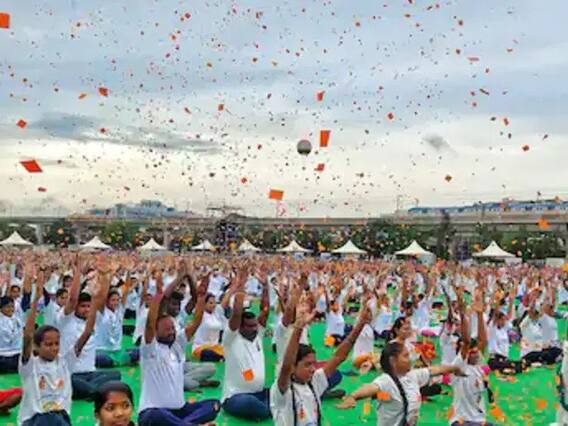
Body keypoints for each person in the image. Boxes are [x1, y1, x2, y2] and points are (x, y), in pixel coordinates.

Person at [18, 267, 100, 426]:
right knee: (50, 417)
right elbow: (28, 336)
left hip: (60, 419)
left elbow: (87, 332)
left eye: (56, 344)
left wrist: (95, 299)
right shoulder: (30, 365)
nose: (54, 348)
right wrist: (35, 301)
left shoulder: (64, 361)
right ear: (37, 346)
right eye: (48, 344)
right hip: (35, 420)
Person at [271, 298, 372, 425]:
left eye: (313, 364)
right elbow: (286, 366)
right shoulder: (282, 389)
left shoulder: (314, 381)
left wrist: (361, 324)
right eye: (307, 365)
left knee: (336, 374)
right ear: (294, 367)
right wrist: (299, 327)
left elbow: (338, 357)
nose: (313, 369)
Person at [138, 272, 220, 426]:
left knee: (214, 405)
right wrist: (158, 296)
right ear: (156, 332)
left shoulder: (177, 345)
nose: (172, 331)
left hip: (180, 411)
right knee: (157, 416)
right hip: (154, 413)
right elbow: (150, 324)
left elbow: (195, 323)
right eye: (167, 329)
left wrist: (201, 298)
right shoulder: (150, 349)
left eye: (172, 328)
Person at [337, 342, 465, 425]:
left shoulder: (413, 375)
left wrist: (454, 368)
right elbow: (372, 388)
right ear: (393, 361)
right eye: (405, 356)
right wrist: (353, 396)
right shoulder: (386, 380)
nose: (409, 359)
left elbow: (435, 370)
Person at [59, 260, 121, 400]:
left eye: (88, 306)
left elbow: (101, 298)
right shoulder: (65, 320)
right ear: (75, 307)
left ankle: (92, 391)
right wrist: (78, 273)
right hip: (72, 374)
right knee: (72, 383)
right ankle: (95, 391)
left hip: (92, 373)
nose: (86, 309)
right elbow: (73, 298)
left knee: (116, 375)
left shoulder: (92, 319)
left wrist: (105, 276)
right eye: (83, 306)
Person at [221, 266, 271, 421]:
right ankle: (268, 410)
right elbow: (236, 313)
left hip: (259, 393)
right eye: (249, 326)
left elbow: (265, 309)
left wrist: (265, 287)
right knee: (250, 403)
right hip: (235, 397)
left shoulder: (258, 336)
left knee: (285, 390)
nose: (253, 329)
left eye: (254, 326)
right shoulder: (231, 339)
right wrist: (240, 287)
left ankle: (265, 410)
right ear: (240, 327)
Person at [449, 289, 494, 426]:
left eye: (476, 351)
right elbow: (466, 341)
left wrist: (480, 314)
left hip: (479, 421)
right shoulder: (458, 365)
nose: (475, 354)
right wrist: (463, 315)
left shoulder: (478, 366)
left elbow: (483, 340)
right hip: (461, 422)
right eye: (471, 352)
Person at [95, 277, 139, 369]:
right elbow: (102, 296)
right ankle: (117, 362)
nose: (115, 303)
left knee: (138, 353)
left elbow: (126, 291)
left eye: (117, 300)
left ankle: (116, 361)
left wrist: (129, 271)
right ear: (107, 300)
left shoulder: (120, 310)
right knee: (102, 359)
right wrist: (107, 276)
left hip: (117, 350)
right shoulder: (102, 312)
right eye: (113, 300)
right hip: (102, 350)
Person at [0, 264, 32, 374]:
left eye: (12, 306)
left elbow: (27, 295)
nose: (11, 309)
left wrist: (29, 275)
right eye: (7, 307)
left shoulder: (17, 318)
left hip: (17, 354)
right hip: (2, 355)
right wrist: (5, 282)